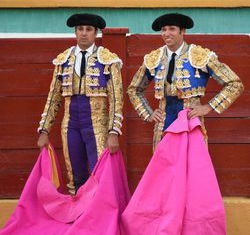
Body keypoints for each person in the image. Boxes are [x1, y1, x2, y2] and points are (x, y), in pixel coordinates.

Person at [127, 13, 244, 151]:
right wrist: (148, 113)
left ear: (183, 31)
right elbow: (134, 89)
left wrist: (208, 107)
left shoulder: (199, 55)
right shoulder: (154, 58)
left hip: (191, 120)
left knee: (192, 166)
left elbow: (235, 84)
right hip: (164, 122)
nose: (166, 33)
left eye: (172, 29)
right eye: (163, 29)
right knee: (164, 167)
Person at [37, 13, 124, 194]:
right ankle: (78, 216)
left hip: (98, 123)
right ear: (75, 32)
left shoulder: (108, 60)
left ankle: (99, 217)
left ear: (95, 33)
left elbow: (117, 99)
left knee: (98, 173)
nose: (84, 33)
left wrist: (114, 131)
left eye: (88, 30)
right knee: (75, 174)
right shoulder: (63, 60)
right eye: (80, 29)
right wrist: (44, 130)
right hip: (71, 124)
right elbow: (53, 97)